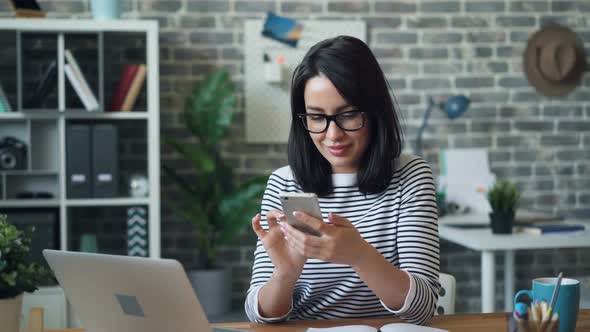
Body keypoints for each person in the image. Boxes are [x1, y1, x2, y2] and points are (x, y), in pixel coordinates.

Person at [245, 35, 440, 325]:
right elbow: (258, 315)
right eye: (316, 117)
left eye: (348, 115)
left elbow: (423, 310)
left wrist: (358, 255)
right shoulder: (285, 183)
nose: (333, 135)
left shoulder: (410, 177)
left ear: (374, 112)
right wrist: (285, 274)